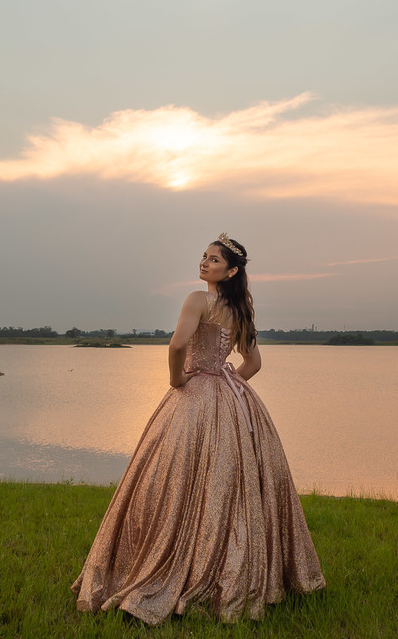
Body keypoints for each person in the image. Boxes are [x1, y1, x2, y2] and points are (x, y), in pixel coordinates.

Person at [72, 234, 325, 625]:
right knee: (228, 484)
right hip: (230, 397)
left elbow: (177, 346)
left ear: (232, 271)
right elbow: (253, 364)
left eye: (214, 260)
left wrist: (178, 381)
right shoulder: (241, 310)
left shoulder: (198, 300)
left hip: (194, 395)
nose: (205, 263)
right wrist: (227, 384)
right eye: (204, 257)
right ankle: (228, 570)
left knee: (169, 477)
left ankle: (168, 568)